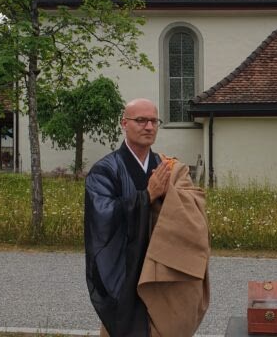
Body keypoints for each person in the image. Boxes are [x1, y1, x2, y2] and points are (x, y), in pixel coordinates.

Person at [85, 98, 210, 337]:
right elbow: (101, 217)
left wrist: (169, 195)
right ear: (124, 123)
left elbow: (194, 207)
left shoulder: (168, 167)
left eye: (154, 121)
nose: (149, 127)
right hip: (124, 267)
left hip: (160, 265)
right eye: (141, 120)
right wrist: (147, 196)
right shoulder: (105, 170)